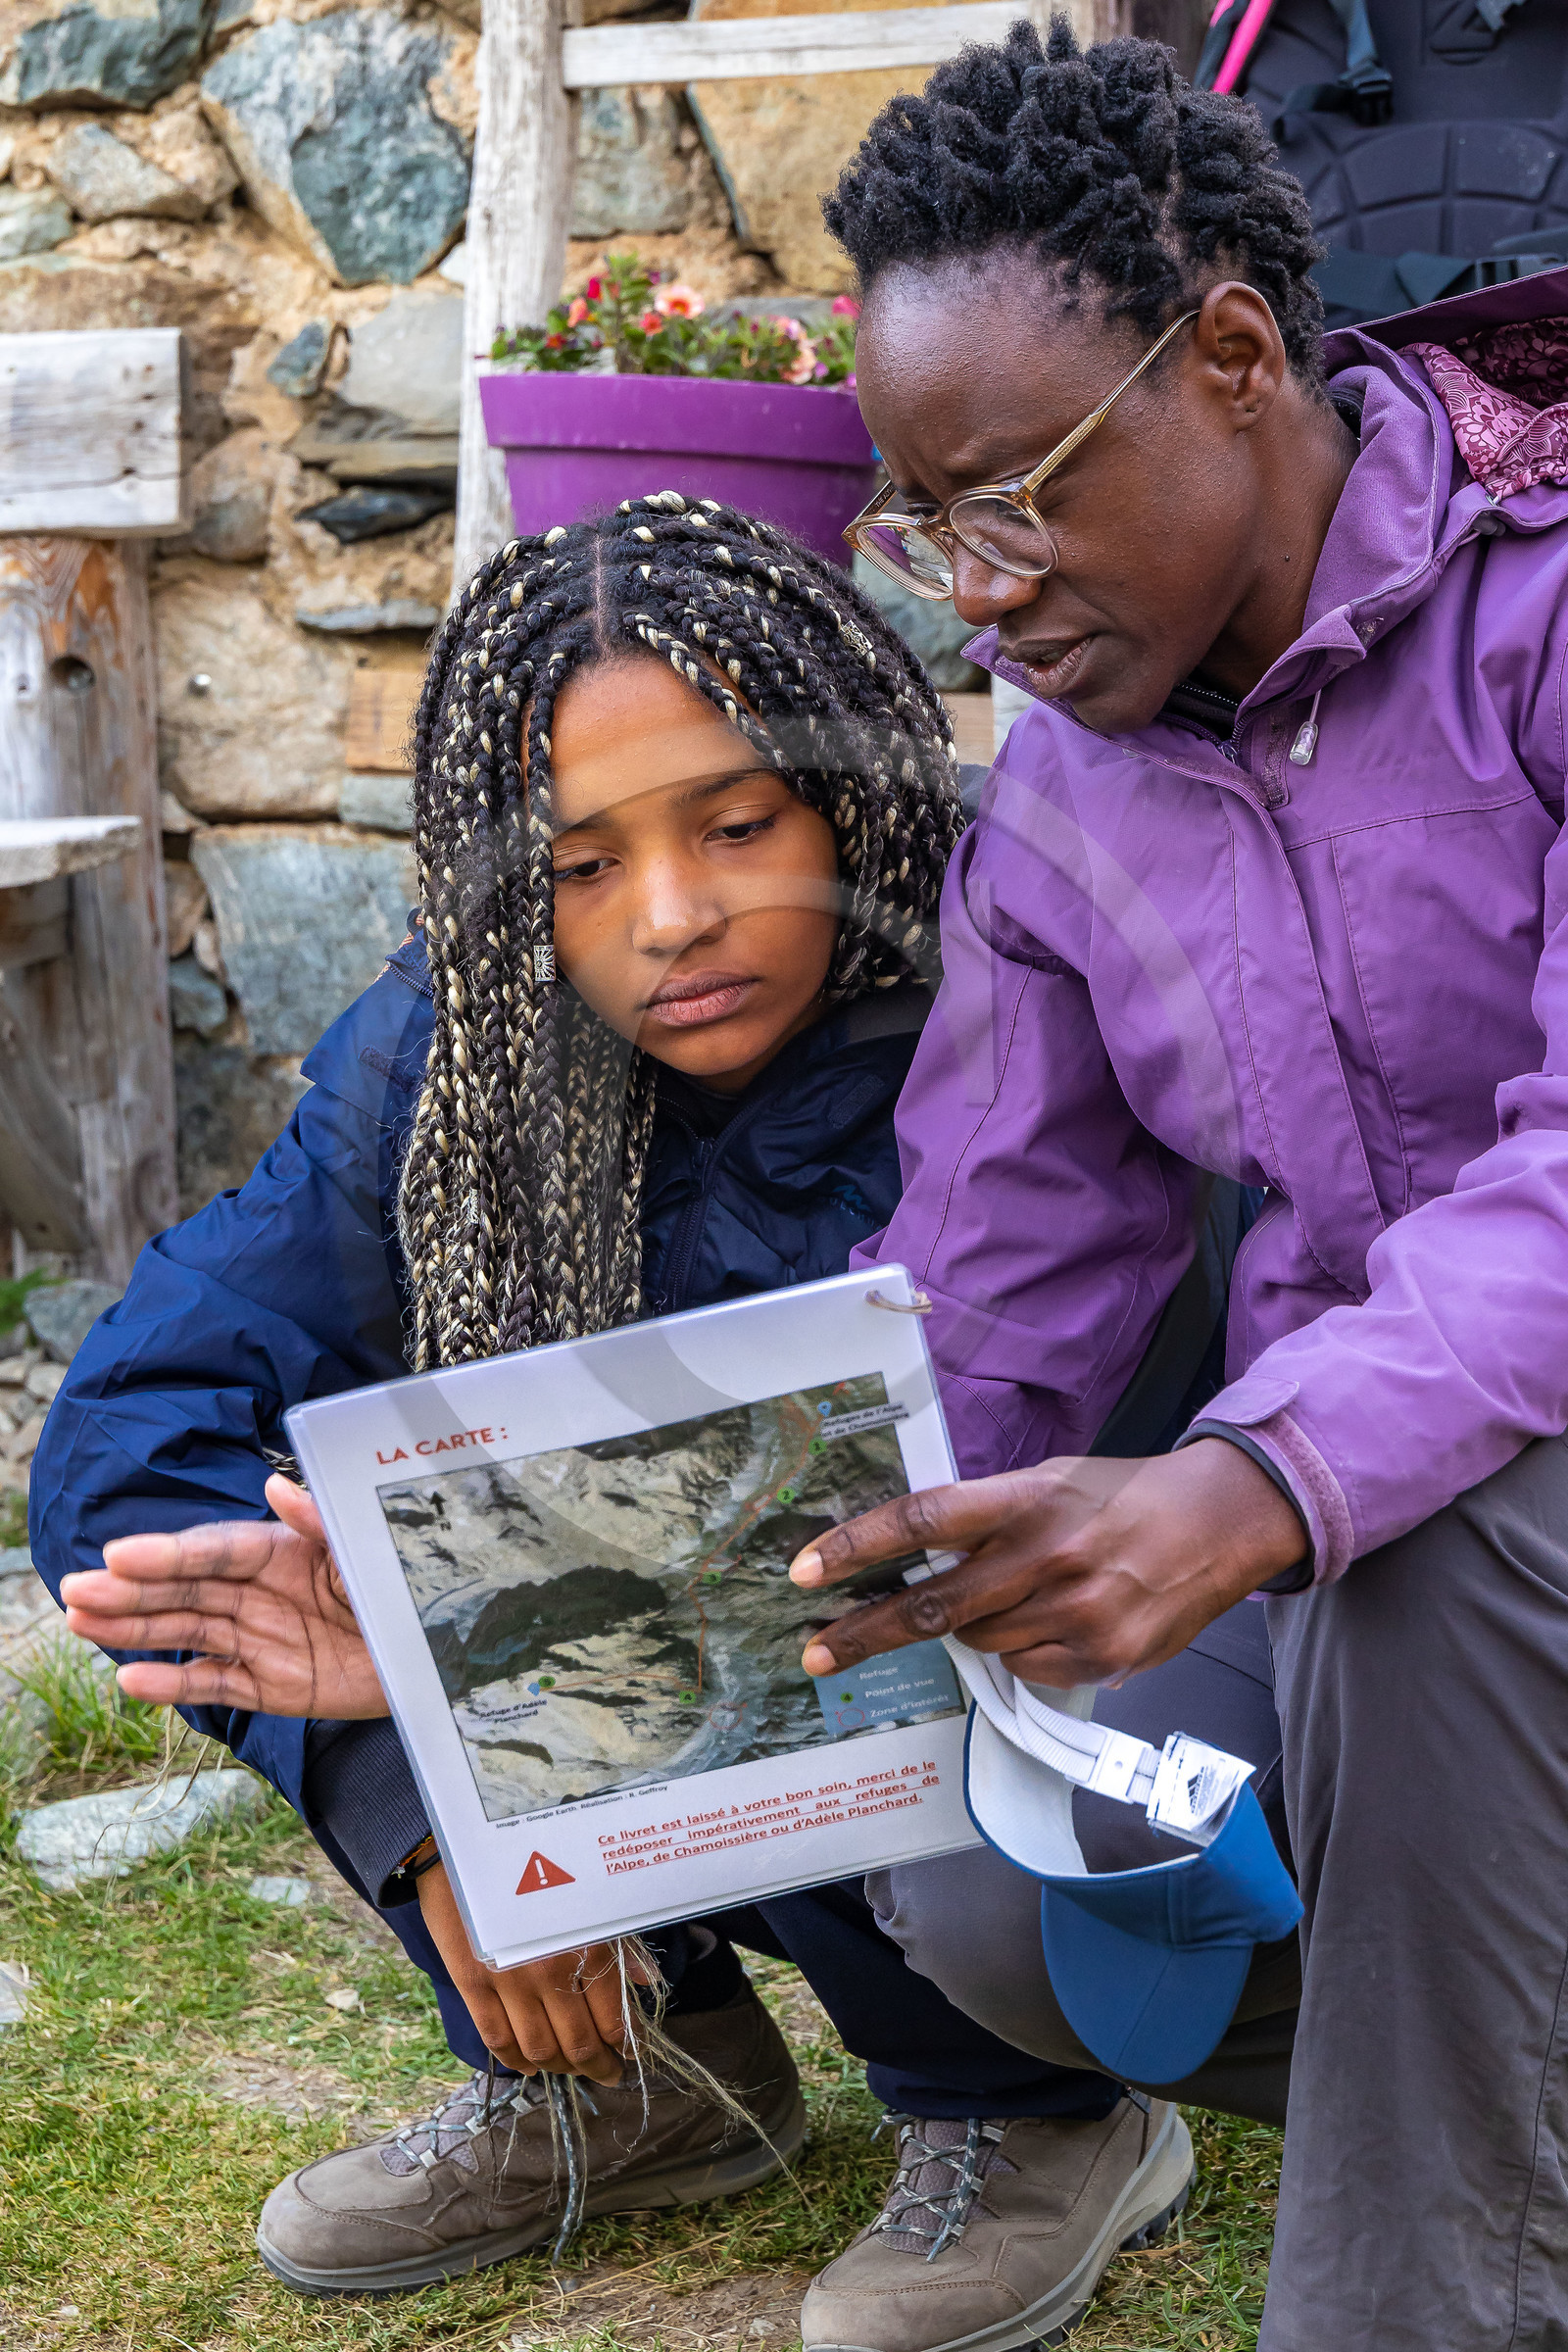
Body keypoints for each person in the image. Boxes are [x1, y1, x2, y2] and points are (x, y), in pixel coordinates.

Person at [41, 493, 1268, 2329]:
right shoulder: (452, 1061)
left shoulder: (1012, 1012)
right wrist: (415, 1795)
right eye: (580, 861)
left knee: (817, 1545)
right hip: (654, 1702)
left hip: (1068, 1684)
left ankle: (1035, 2109)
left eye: (737, 822)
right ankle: (643, 2075)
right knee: (312, 1545)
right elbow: (140, 1425)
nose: (675, 915)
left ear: (840, 802)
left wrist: (496, 1658)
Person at [752, 19, 1568, 2352]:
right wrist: (531, 1615)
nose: (972, 591)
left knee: (1420, 1537)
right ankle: (1495, 2149)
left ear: (1226, 357)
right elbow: (982, 1295)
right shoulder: (1069, 798)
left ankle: (1421, 2296)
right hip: (1372, 1551)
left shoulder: (1541, 593)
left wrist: (1260, 1475)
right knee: (985, 1872)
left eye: (1010, 492)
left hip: (1457, 1531)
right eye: (924, 523)